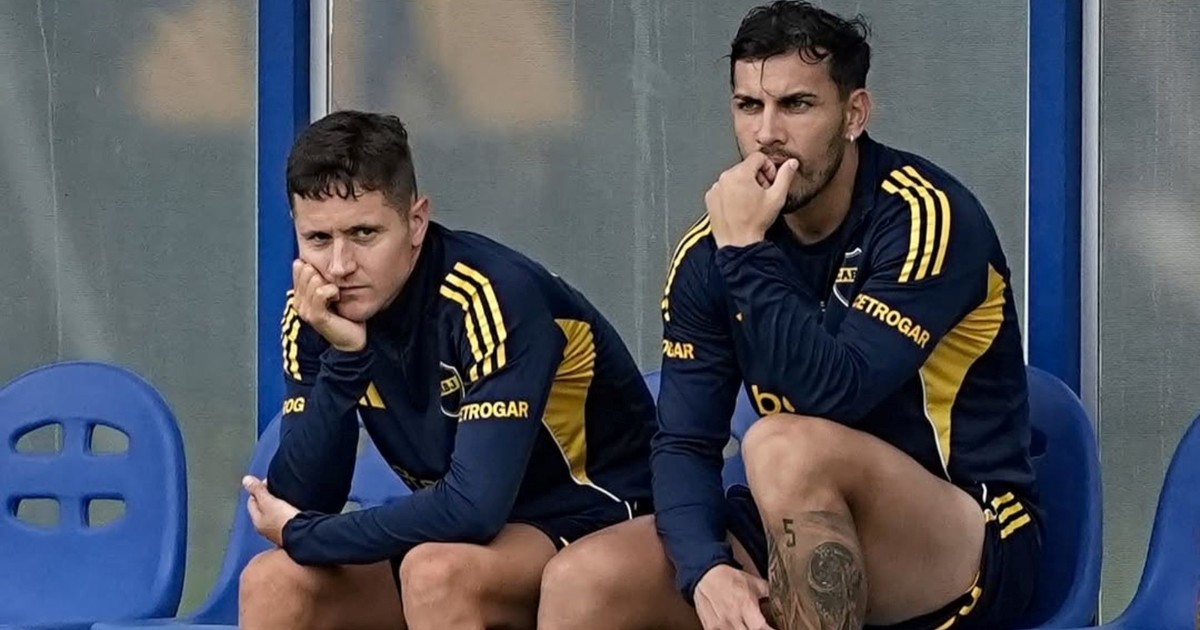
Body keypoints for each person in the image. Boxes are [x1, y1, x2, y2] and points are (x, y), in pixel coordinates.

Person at [536, 2, 1040, 629]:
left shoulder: (923, 217)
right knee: (582, 581)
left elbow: (839, 391)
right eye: (749, 106)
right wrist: (705, 569)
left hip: (963, 535)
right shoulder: (710, 252)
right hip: (793, 519)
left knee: (780, 444)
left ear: (854, 114)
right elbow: (686, 441)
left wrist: (747, 253)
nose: (767, 133)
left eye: (797, 105)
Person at [237, 110, 655, 630]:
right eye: (319, 239)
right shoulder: (314, 312)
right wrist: (344, 361)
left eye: (364, 233)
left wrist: (308, 533)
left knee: (435, 573)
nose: (340, 266)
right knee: (273, 582)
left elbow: (473, 508)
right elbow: (304, 498)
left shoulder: (489, 296)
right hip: (474, 535)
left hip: (598, 512)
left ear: (416, 222)